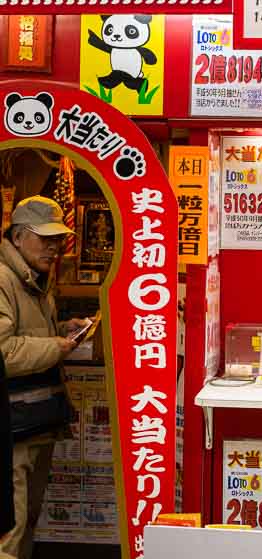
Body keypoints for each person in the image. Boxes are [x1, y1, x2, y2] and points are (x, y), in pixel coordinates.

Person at [0, 196, 88, 559]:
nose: (54, 247)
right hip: (11, 428)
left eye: (58, 239)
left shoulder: (32, 277)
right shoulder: (4, 279)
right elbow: (4, 352)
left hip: (34, 424)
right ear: (18, 237)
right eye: (44, 238)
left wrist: (63, 329)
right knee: (10, 529)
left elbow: (26, 333)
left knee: (27, 521)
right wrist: (57, 345)